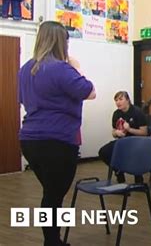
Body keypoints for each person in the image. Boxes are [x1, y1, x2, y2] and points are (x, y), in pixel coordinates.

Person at [19, 21, 96, 246]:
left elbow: (23, 99)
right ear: (61, 41)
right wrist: (76, 66)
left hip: (29, 140)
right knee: (53, 195)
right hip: (57, 141)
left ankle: (53, 240)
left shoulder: (25, 68)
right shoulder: (62, 68)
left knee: (51, 193)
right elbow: (90, 92)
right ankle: (52, 242)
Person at [98, 91, 148, 183]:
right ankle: (118, 171)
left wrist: (129, 129)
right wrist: (116, 132)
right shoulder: (116, 113)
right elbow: (113, 132)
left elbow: (144, 132)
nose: (118, 102)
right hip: (122, 141)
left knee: (133, 153)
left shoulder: (137, 112)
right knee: (103, 152)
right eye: (116, 100)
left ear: (128, 100)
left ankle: (138, 178)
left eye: (121, 99)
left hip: (137, 142)